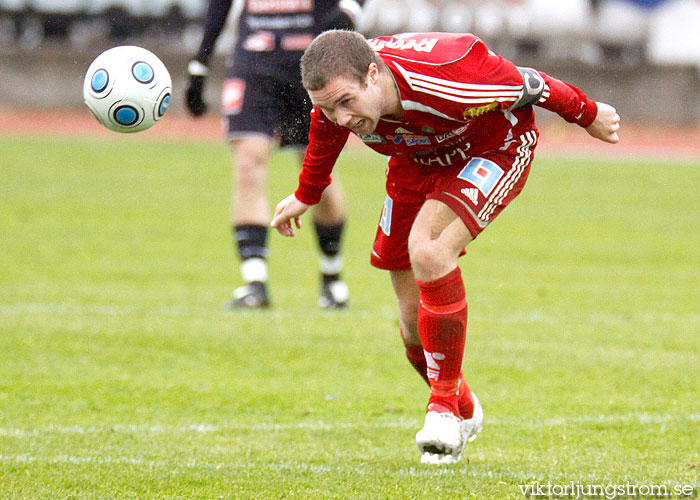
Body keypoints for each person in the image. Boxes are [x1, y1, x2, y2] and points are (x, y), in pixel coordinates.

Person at [271, 30, 620, 464]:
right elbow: (325, 129)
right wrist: (308, 192)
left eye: (346, 103)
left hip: (494, 148)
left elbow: (531, 82)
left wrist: (586, 114)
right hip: (416, 161)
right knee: (411, 322)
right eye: (328, 107)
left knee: (430, 249)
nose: (341, 117)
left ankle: (440, 409)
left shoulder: (450, 75)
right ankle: (464, 409)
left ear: (373, 75)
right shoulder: (337, 96)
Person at [184, 0, 364, 309]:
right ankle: (255, 283)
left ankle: (331, 276)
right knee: (248, 162)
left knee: (318, 173)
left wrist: (350, 9)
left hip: (313, 55)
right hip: (254, 57)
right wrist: (201, 60)